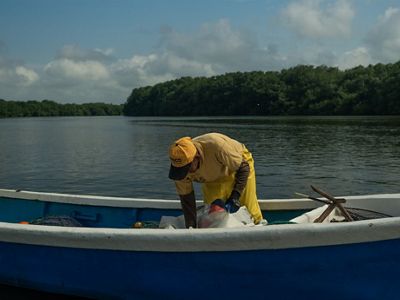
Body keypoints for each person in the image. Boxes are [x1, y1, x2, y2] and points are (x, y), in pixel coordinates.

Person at [168, 132, 263, 228]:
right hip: (212, 177)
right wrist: (190, 227)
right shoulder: (179, 171)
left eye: (187, 167)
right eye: (181, 169)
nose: (186, 173)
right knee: (212, 216)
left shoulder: (217, 146)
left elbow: (243, 168)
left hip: (238, 167)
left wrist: (235, 196)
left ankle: (258, 227)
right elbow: (187, 201)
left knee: (248, 210)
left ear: (197, 157)